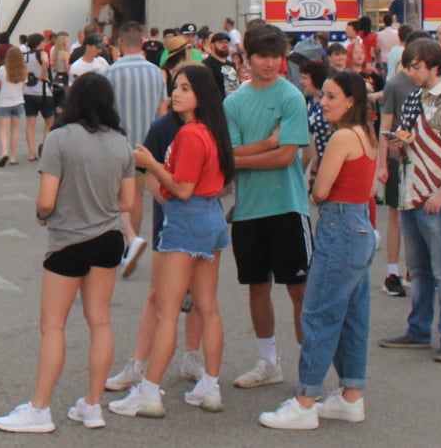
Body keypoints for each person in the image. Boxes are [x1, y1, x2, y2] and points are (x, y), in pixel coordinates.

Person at [0, 74, 138, 434]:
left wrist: (43, 216)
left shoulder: (60, 139)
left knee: (53, 325)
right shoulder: (121, 142)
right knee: (100, 320)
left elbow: (46, 200)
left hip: (69, 239)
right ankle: (92, 404)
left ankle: (40, 408)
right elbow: (128, 201)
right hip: (108, 236)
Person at [108, 64, 233, 419]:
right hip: (209, 217)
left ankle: (149, 390)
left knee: (167, 311)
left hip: (187, 218)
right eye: (176, 86)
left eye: (185, 88)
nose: (176, 93)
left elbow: (182, 188)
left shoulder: (192, 134)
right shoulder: (213, 131)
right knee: (207, 305)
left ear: (201, 96)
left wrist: (150, 163)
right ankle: (210, 384)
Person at [258, 71, 376, 430]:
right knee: (353, 316)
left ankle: (306, 400)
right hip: (358, 225)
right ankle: (350, 394)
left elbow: (321, 190)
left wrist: (316, 187)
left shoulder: (342, 136)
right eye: (323, 95)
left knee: (318, 313)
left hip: (339, 224)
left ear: (351, 101)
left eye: (331, 96)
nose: (322, 102)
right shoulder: (366, 133)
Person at [222, 23, 313, 389]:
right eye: (262, 56)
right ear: (248, 57)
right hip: (248, 210)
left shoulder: (292, 96)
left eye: (276, 56)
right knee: (256, 287)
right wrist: (263, 147)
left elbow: (286, 156)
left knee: (300, 291)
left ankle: (310, 368)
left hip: (289, 206)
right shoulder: (233, 102)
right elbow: (231, 154)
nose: (270, 63)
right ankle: (268, 361)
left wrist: (237, 158)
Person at [378, 37, 441, 361]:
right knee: (420, 270)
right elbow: (406, 136)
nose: (411, 71)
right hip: (412, 194)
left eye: (416, 66)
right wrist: (397, 146)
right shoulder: (413, 99)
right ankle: (419, 329)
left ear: (434, 65)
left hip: (436, 198)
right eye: (408, 65)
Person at [105, 21, 166, 276]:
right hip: (147, 147)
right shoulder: (156, 72)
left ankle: (128, 242)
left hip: (118, 144)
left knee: (117, 198)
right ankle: (133, 242)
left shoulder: (111, 73)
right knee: (138, 197)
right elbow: (163, 112)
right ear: (142, 42)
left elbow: (105, 112)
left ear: (120, 42)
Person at [376, 57, 419, 298]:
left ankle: (414, 269)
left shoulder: (437, 85)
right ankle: (392, 272)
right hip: (398, 158)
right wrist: (382, 163)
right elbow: (388, 124)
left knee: (418, 216)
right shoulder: (396, 84)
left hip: (423, 161)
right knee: (396, 214)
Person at [0, 45, 31, 167]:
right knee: (15, 130)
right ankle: (13, 157)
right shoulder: (23, 71)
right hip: (18, 102)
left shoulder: (2, 70)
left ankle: (4, 152)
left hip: (4, 102)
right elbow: (23, 88)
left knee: (3, 130)